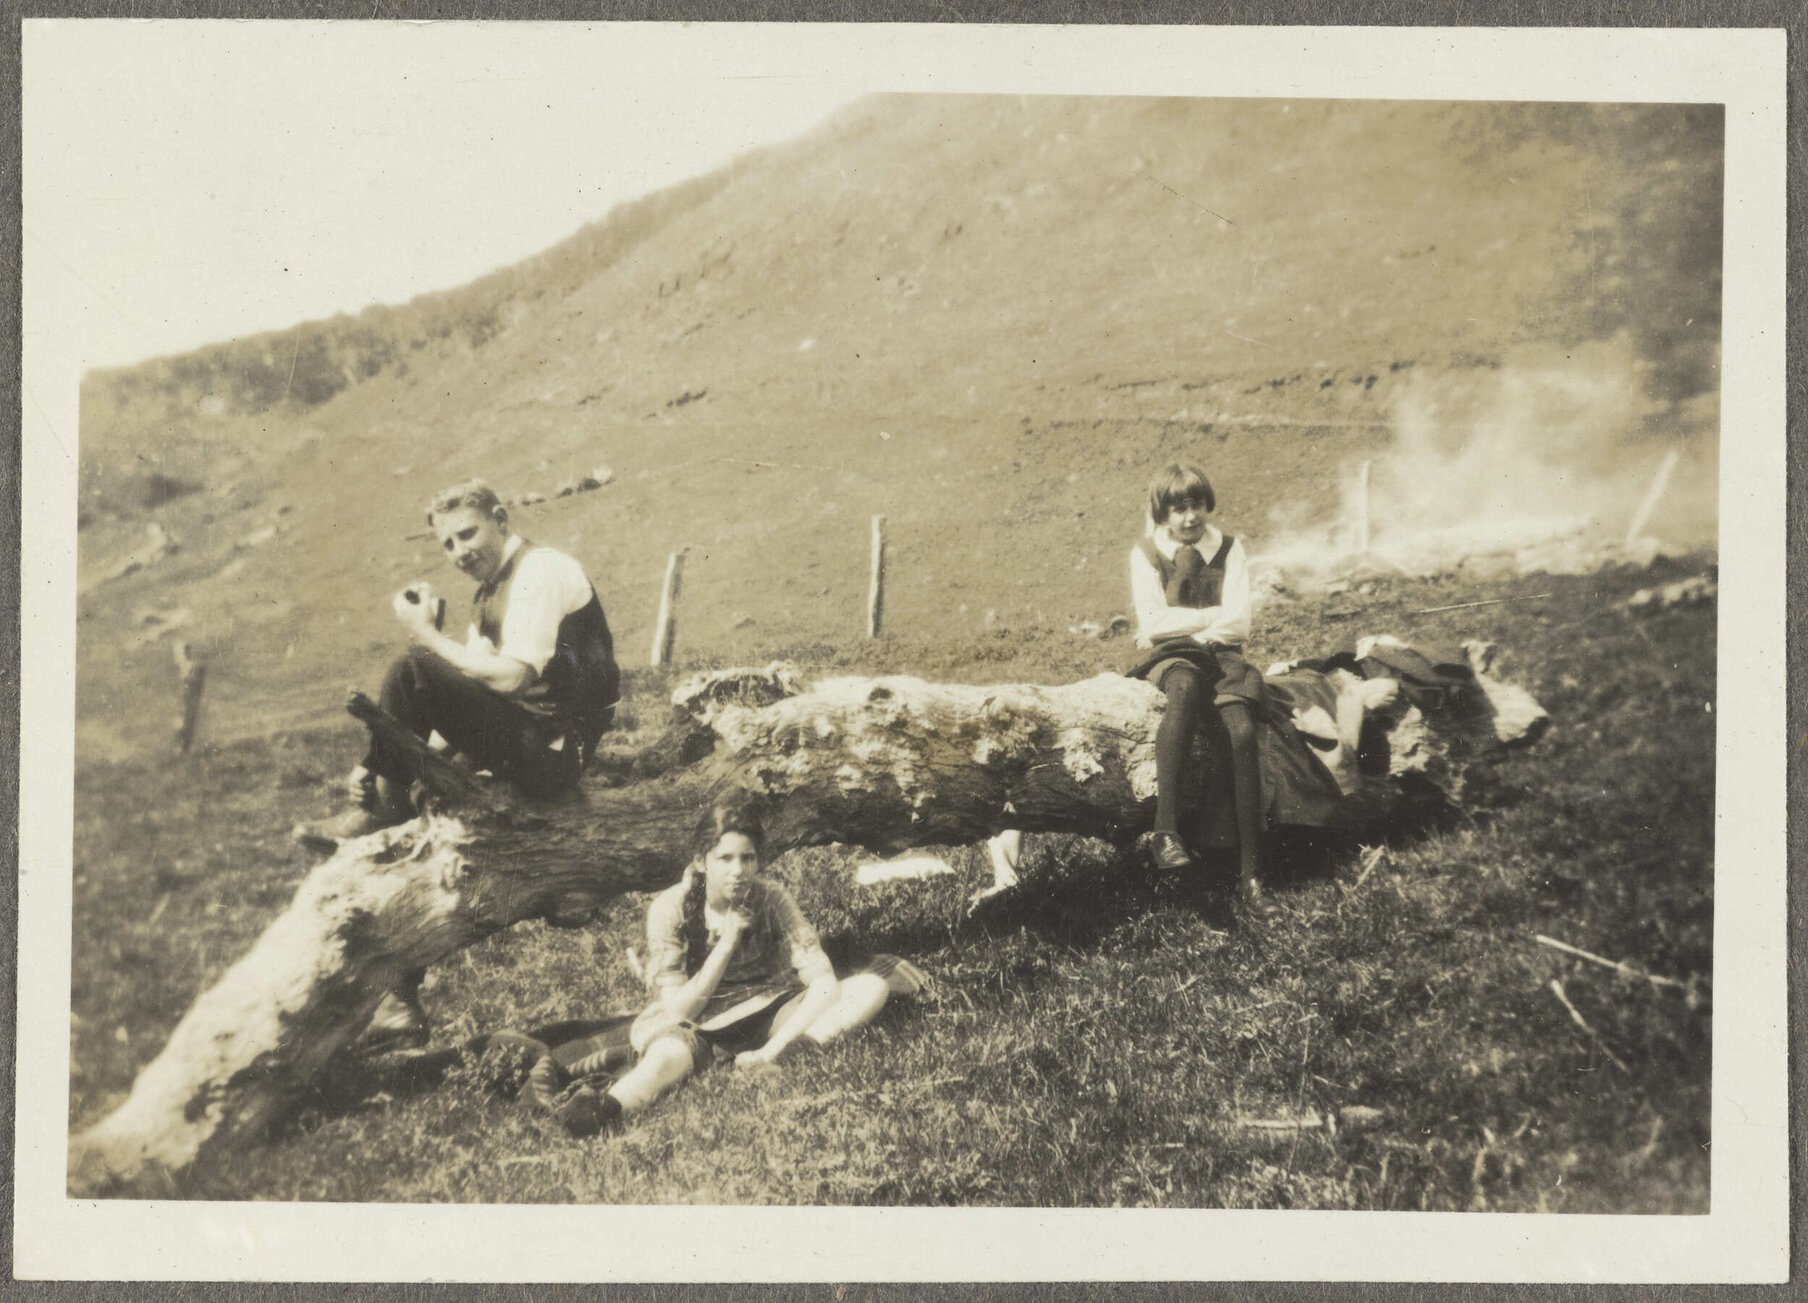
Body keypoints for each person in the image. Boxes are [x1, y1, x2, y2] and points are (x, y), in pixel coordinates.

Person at [496, 799, 921, 1136]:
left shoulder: (771, 897)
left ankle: (782, 1059)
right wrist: (729, 940)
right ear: (702, 860)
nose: (739, 871)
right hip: (698, 1024)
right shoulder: (671, 908)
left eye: (748, 859)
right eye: (726, 858)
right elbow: (680, 1011)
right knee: (663, 1059)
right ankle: (603, 1111)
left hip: (769, 1012)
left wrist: (773, 1049)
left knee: (868, 987)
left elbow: (825, 983)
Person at [299, 477, 621, 846]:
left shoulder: (539, 570)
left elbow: (514, 679)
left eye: (467, 534)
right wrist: (379, 760)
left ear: (500, 520)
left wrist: (427, 636)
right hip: (530, 737)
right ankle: (385, 810)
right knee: (426, 783)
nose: (459, 552)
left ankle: (382, 817)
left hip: (560, 752)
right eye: (448, 544)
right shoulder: (488, 594)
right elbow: (471, 690)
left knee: (414, 666)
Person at [1126, 463, 1269, 910]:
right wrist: (1210, 617)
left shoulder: (1229, 548)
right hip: (1175, 657)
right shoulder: (1146, 554)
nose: (1190, 517)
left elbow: (1240, 620)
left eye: (1197, 505)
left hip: (1224, 656)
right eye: (1179, 508)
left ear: (1209, 506)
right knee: (1184, 690)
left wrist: (1198, 628)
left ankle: (1251, 875)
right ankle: (1165, 831)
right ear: (1163, 514)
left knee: (1242, 733)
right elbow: (1152, 625)